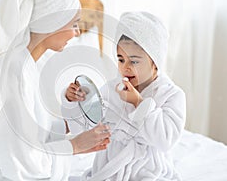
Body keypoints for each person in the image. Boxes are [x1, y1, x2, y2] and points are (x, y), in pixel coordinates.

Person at [0, 0, 111, 180]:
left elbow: (29, 133)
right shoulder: (11, 71)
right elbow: (23, 163)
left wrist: (67, 125)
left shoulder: (25, 64)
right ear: (52, 23)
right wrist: (75, 146)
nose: (76, 33)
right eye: (74, 24)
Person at [62, 12, 186, 180]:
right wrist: (76, 102)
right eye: (121, 60)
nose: (125, 68)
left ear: (155, 63)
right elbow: (84, 127)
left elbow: (165, 140)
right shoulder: (113, 88)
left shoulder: (171, 95)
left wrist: (138, 103)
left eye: (134, 61)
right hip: (109, 168)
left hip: (148, 171)